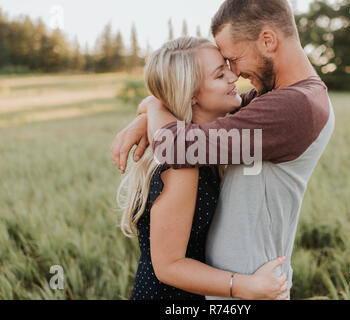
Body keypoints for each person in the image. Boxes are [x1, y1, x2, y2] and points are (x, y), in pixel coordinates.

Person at [112, 0, 335, 300]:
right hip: (228, 289)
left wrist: (153, 106)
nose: (235, 74)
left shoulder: (293, 106)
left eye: (234, 58)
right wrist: (153, 108)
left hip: (251, 287)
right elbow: (204, 110)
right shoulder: (274, 99)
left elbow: (174, 145)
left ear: (268, 41)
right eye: (222, 69)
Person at [116, 36, 288, 300]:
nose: (233, 77)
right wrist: (243, 286)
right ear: (192, 95)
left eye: (227, 68)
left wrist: (151, 107)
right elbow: (168, 266)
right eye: (220, 75)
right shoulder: (183, 166)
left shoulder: (205, 140)